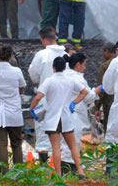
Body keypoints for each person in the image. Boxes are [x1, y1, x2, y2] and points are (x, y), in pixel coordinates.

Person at [29, 56, 88, 177]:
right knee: (73, 146)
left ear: (53, 67)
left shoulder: (49, 80)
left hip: (52, 118)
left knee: (56, 148)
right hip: (66, 117)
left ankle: (58, 174)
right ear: (64, 67)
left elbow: (38, 97)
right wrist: (74, 102)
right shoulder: (70, 80)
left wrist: (32, 109)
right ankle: (81, 171)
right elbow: (85, 92)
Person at [0, 45, 26, 172]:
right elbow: (22, 87)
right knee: (17, 143)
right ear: (11, 56)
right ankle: (18, 173)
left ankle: (3, 173)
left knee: (1, 143)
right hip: (14, 113)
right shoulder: (17, 71)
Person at [27, 26, 67, 162]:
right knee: (62, 132)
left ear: (44, 39)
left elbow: (33, 75)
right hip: (64, 99)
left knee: (43, 131)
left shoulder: (42, 55)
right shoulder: (66, 54)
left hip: (45, 97)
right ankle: (62, 165)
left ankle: (44, 165)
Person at [60, 53, 98, 175]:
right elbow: (88, 97)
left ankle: (66, 168)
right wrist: (97, 90)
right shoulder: (78, 78)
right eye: (84, 64)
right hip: (74, 114)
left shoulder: (63, 75)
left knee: (63, 142)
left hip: (62, 113)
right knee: (72, 142)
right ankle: (69, 170)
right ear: (78, 65)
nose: (85, 67)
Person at [95, 42, 116, 134]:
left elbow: (101, 88)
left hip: (109, 102)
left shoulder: (105, 66)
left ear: (107, 51)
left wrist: (97, 107)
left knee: (109, 128)